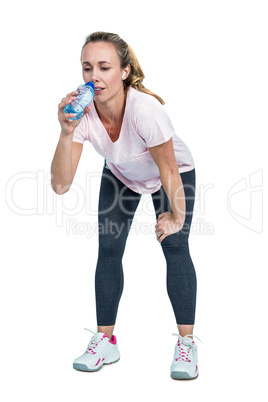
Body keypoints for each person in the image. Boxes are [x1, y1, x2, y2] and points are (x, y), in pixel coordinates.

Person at [51, 31, 202, 380]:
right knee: (109, 249)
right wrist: (65, 131)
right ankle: (106, 341)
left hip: (173, 173)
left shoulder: (146, 111)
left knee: (175, 245)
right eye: (87, 68)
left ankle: (187, 345)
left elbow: (167, 168)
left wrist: (176, 217)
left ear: (124, 71)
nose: (94, 77)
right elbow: (60, 185)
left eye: (104, 67)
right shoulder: (83, 113)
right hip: (122, 174)